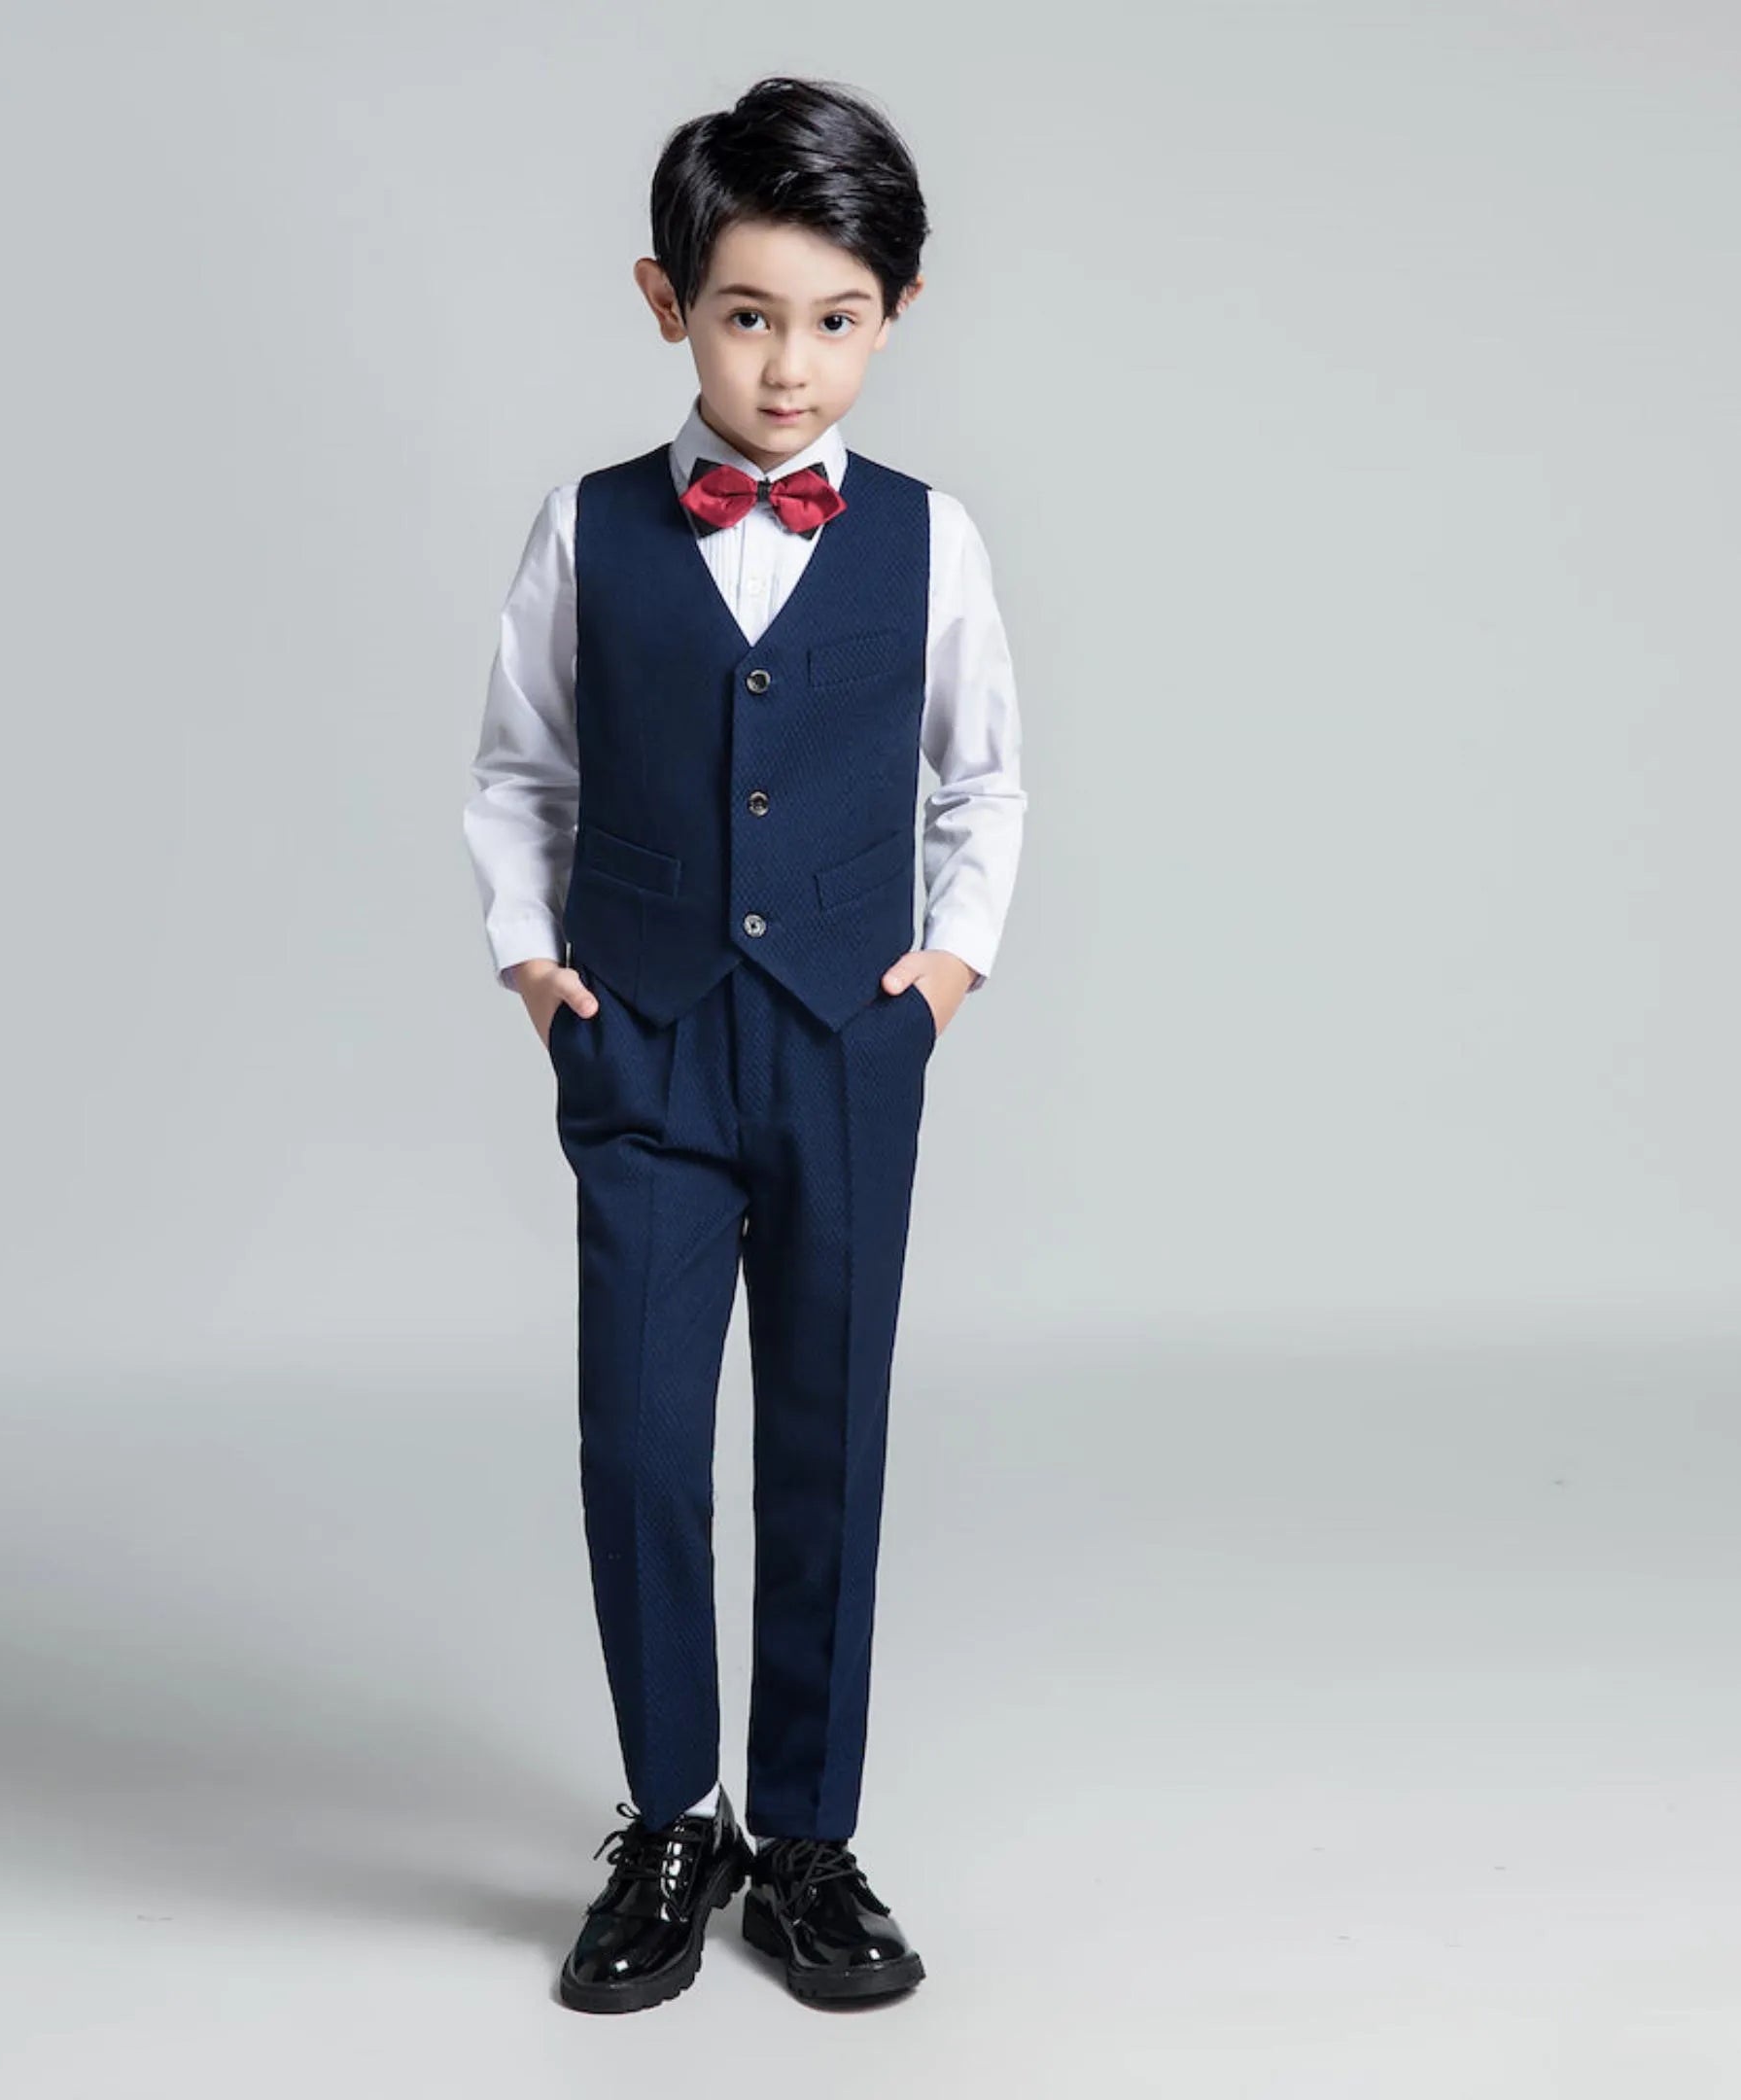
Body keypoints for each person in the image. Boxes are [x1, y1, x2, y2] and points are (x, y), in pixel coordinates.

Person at [462, 74, 1025, 2012]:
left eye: (835, 319)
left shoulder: (932, 545)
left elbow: (989, 784)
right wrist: (541, 970)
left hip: (849, 1046)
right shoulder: (588, 528)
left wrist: (946, 971)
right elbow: (521, 768)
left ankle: (806, 1839)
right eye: (748, 315)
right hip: (648, 1043)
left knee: (826, 1437)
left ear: (898, 313)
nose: (789, 368)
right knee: (640, 1441)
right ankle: (668, 1818)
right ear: (668, 301)